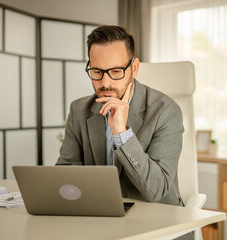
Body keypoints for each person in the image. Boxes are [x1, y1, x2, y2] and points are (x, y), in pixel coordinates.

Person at [56, 25, 185, 207]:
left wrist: (121, 133)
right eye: (97, 72)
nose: (105, 82)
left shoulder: (165, 111)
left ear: (134, 68)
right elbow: (65, 175)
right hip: (102, 216)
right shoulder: (79, 110)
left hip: (158, 218)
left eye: (116, 71)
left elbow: (157, 190)